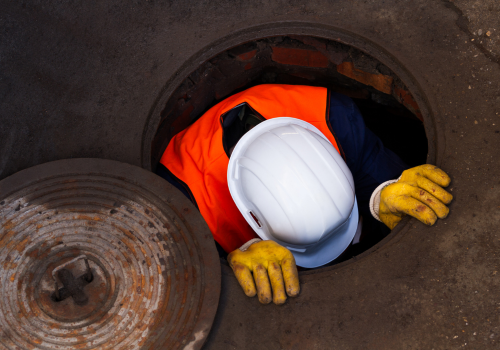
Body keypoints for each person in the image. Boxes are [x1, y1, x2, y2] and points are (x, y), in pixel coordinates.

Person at [156, 84, 452, 305]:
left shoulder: (333, 117)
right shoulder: (182, 192)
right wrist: (221, 261)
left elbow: (367, 165)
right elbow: (173, 277)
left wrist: (380, 194)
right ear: (252, 216)